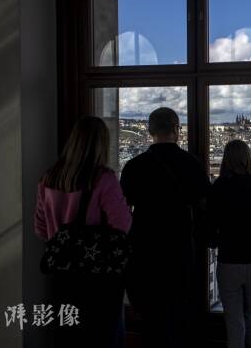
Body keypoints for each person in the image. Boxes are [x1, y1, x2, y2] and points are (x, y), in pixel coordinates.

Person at [34, 116, 132, 348]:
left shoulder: (48, 178)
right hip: (99, 278)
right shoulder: (103, 179)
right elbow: (123, 225)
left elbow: (40, 228)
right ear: (102, 144)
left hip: (63, 275)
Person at [120, 107, 210, 347]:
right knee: (179, 315)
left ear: (150, 131)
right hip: (179, 248)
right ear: (177, 130)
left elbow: (123, 211)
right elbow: (204, 207)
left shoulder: (134, 167)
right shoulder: (191, 164)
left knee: (152, 320)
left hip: (145, 250)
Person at [206, 139, 251, 348]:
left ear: (225, 160)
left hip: (229, 261)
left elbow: (209, 233)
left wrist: (225, 239)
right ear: (248, 159)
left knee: (235, 323)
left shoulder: (218, 188)